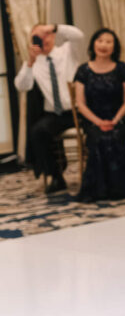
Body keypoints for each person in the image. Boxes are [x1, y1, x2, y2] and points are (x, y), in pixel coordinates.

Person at [73, 28, 125, 201]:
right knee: (99, 139)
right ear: (93, 44)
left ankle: (120, 188)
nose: (103, 45)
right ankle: (99, 190)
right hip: (92, 120)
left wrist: (114, 120)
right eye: (100, 40)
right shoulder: (83, 70)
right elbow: (80, 104)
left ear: (115, 46)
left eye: (108, 41)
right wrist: (99, 122)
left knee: (114, 137)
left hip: (119, 118)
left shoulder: (122, 69)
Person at [14, 22, 84, 193]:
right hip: (55, 114)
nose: (43, 39)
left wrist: (53, 27)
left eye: (46, 35)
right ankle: (56, 176)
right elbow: (21, 85)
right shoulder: (33, 62)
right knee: (38, 132)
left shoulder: (67, 51)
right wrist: (30, 62)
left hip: (78, 109)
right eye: (37, 37)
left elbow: (78, 35)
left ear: (53, 35)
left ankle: (94, 172)